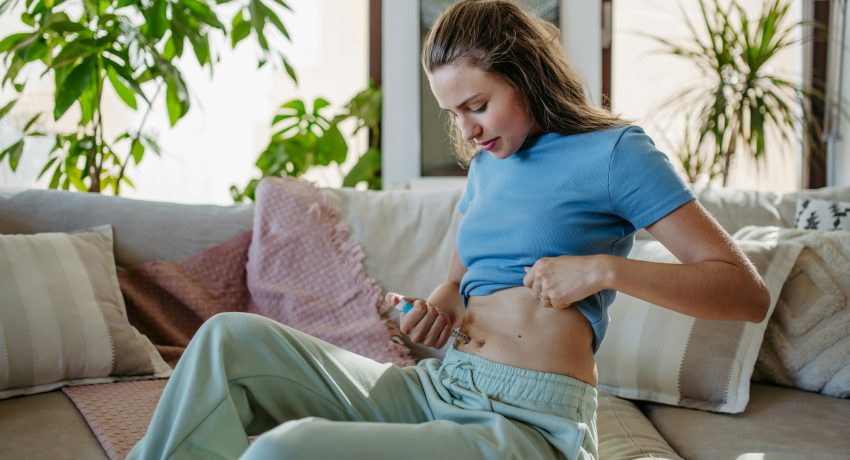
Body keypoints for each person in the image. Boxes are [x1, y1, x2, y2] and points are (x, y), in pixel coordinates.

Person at [128, 1, 771, 459]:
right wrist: (437, 304)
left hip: (529, 423)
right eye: (453, 113)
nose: (466, 130)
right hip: (442, 384)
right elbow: (465, 276)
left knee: (286, 451)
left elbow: (743, 294)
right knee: (225, 341)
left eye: (477, 105)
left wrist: (604, 271)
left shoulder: (616, 152)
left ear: (526, 76)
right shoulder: (488, 164)